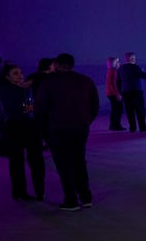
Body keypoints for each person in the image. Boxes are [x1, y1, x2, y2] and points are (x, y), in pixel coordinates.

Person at [35, 53, 99, 212]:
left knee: (64, 165)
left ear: (56, 64)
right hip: (80, 128)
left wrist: (42, 130)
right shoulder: (85, 81)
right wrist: (86, 121)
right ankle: (85, 197)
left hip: (57, 129)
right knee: (79, 161)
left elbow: (40, 108)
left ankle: (71, 200)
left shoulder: (48, 82)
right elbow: (95, 105)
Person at [0, 63, 44, 202]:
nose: (20, 75)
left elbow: (26, 107)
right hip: (19, 126)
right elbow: (25, 108)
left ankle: (27, 192)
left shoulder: (14, 90)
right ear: (7, 77)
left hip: (21, 126)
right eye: (15, 73)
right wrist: (27, 99)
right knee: (25, 161)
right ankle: (29, 192)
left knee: (25, 161)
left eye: (20, 72)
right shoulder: (13, 91)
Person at [118, 52, 146, 132]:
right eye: (134, 58)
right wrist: (143, 71)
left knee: (129, 111)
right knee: (140, 110)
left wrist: (120, 92)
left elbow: (118, 81)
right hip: (136, 92)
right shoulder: (136, 67)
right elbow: (144, 76)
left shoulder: (121, 68)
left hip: (125, 92)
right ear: (132, 58)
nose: (135, 59)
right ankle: (142, 127)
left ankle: (132, 128)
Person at [104, 57, 125, 131]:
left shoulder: (111, 71)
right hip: (113, 93)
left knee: (115, 109)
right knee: (118, 109)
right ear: (113, 63)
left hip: (110, 93)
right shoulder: (113, 71)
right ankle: (116, 125)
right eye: (117, 62)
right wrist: (117, 94)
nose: (119, 63)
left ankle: (113, 125)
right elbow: (112, 84)